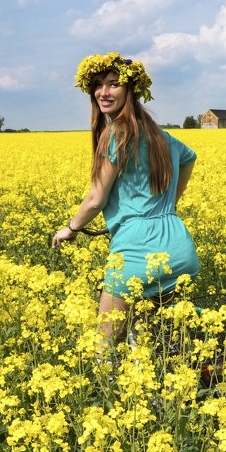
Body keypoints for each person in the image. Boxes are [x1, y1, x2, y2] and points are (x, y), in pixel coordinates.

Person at [52, 52, 199, 340]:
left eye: (113, 84)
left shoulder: (116, 133)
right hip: (179, 249)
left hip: (138, 253)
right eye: (98, 85)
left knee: (102, 348)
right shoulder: (161, 136)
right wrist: (168, 203)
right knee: (147, 344)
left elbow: (96, 198)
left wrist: (71, 229)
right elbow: (189, 158)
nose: (103, 92)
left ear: (131, 90)